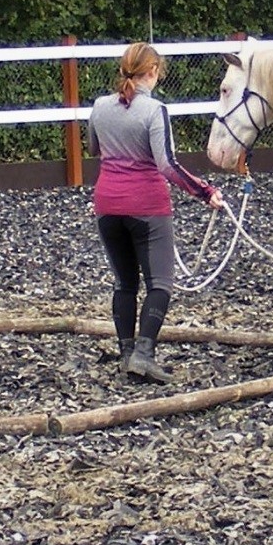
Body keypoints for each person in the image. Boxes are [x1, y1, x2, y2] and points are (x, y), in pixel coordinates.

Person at [87, 42, 224, 383]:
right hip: (146, 205)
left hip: (107, 203)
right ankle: (144, 355)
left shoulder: (100, 107)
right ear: (154, 72)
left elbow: (93, 148)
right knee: (160, 282)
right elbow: (167, 164)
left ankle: (126, 353)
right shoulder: (154, 110)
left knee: (124, 282)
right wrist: (204, 191)